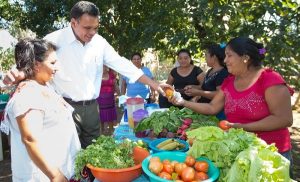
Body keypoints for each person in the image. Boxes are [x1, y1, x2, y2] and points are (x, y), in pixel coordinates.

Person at [3, 1, 169, 149]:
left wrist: (155, 85)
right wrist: (17, 71)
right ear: (73, 23)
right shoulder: (55, 39)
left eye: (96, 28)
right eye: (87, 28)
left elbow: (124, 65)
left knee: (94, 152)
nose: (92, 33)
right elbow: (32, 56)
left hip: (91, 109)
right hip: (63, 107)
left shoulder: (99, 43)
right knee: (67, 154)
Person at [169, 37, 294, 166]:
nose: (225, 60)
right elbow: (212, 107)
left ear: (245, 58)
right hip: (242, 151)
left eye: (229, 56)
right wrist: (182, 102)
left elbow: (284, 119)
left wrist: (243, 127)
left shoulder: (269, 78)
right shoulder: (229, 82)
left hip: (272, 154)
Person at [0, 38, 81, 181]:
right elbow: (30, 139)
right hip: (44, 176)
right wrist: (55, 175)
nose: (57, 67)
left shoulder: (42, 85)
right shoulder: (27, 95)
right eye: (52, 63)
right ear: (36, 65)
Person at [184, 44, 229, 119]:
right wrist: (192, 87)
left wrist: (198, 93)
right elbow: (204, 88)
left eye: (206, 56)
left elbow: (219, 94)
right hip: (204, 111)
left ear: (214, 57)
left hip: (215, 114)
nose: (205, 58)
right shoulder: (210, 71)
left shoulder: (223, 73)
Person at [96, 65, 119, 135]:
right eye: (102, 66)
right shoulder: (97, 75)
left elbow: (115, 85)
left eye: (105, 66)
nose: (103, 68)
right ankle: (101, 133)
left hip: (110, 100)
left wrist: (120, 95)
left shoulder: (112, 74)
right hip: (100, 100)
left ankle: (111, 132)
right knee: (100, 117)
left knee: (110, 117)